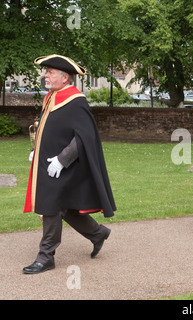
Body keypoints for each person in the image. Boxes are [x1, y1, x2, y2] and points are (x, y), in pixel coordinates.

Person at [22, 54, 116, 274]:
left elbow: (84, 136)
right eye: (47, 72)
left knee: (51, 207)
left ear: (64, 78)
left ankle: (46, 257)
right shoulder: (52, 97)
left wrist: (62, 160)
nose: (46, 75)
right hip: (47, 163)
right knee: (67, 208)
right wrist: (36, 150)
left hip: (64, 165)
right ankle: (98, 233)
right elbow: (48, 128)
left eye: (50, 72)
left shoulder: (75, 100)